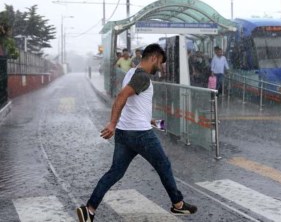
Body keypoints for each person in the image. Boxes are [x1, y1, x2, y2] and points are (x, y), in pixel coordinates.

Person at [76, 43, 197, 222]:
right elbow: (121, 96)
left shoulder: (131, 73)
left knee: (115, 173)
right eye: (161, 63)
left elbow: (133, 106)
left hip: (125, 133)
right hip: (140, 134)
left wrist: (151, 121)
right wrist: (111, 123)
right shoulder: (142, 77)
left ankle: (89, 210)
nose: (161, 67)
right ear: (153, 58)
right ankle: (178, 205)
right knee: (163, 165)